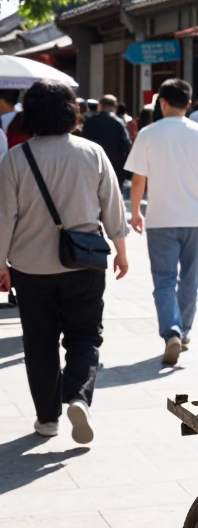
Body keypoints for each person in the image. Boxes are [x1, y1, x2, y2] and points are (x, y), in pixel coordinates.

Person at [0, 80, 129, 444]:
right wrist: (121, 250)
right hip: (84, 263)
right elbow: (112, 206)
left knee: (39, 342)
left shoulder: (16, 158)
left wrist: (1, 264)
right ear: (72, 113)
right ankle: (79, 397)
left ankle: (47, 420)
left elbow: (4, 217)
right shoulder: (92, 152)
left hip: (30, 267)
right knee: (85, 336)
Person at [125, 78, 198, 366]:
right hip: (196, 219)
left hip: (160, 219)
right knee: (190, 279)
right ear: (189, 104)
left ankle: (171, 331)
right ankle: (183, 331)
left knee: (164, 279)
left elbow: (138, 179)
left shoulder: (148, 134)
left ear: (162, 102)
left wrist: (135, 211)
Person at [80, 95, 131, 182]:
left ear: (100, 105)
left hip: (92, 165)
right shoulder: (119, 122)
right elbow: (126, 146)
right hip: (115, 168)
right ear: (115, 107)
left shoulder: (89, 122)